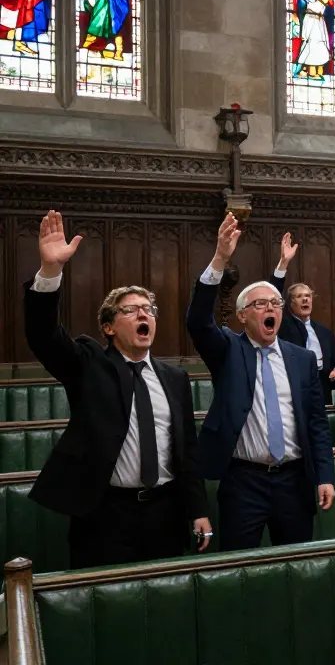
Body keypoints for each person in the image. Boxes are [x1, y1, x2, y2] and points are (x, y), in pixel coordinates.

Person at [25, 210, 210, 568]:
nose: (144, 315)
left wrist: (198, 510)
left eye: (149, 309)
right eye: (131, 311)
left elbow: (187, 451)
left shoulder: (174, 378)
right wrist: (49, 273)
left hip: (166, 512)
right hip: (105, 515)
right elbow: (43, 336)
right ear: (108, 327)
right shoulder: (89, 364)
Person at [187, 214, 335, 551]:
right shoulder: (228, 349)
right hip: (244, 481)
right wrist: (220, 259)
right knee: (239, 566)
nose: (270, 308)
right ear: (242, 315)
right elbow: (198, 321)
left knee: (295, 562)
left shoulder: (302, 359)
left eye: (275, 304)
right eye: (260, 305)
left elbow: (317, 422)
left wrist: (325, 475)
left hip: (295, 481)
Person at [268, 233, 335, 400]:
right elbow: (272, 296)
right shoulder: (284, 326)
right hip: (292, 388)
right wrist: (283, 263)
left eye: (308, 296)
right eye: (299, 296)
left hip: (321, 388)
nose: (305, 299)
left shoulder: (324, 332)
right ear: (289, 303)